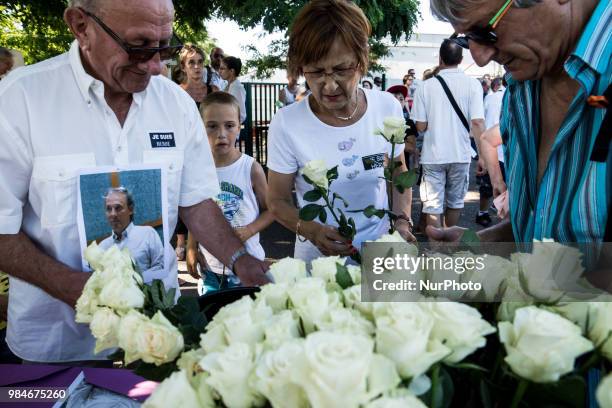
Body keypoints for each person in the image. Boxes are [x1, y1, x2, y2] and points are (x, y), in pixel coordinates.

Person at [0, 0, 269, 364]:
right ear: (81, 26)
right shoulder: (20, 99)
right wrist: (70, 287)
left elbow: (196, 202)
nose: (156, 65)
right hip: (56, 347)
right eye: (138, 47)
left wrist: (240, 261)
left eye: (164, 47)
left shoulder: (175, 104)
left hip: (160, 339)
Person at [429, 0, 610, 280]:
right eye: (467, 40)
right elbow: (540, 228)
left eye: (484, 32)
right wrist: (481, 247)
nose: (480, 58)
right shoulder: (522, 86)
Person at [267, 0, 416, 263]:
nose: (330, 85)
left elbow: (398, 170)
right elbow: (277, 201)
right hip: (318, 265)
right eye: (316, 72)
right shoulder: (287, 123)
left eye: (341, 69)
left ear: (361, 61)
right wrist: (312, 230)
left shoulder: (387, 108)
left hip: (381, 254)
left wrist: (402, 223)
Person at [187, 92, 274, 294]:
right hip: (210, 269)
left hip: (248, 267)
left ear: (239, 126)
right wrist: (192, 246)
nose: (221, 134)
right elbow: (195, 210)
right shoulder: (198, 169)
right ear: (201, 128)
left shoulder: (250, 168)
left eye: (229, 125)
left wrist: (251, 229)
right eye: (212, 126)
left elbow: (272, 210)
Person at [411, 39, 486, 231]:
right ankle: (448, 245)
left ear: (440, 58)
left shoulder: (424, 87)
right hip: (460, 154)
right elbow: (477, 123)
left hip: (433, 155)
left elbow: (420, 126)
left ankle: (435, 248)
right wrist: (483, 157)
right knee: (455, 202)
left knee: (432, 204)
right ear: (461, 59)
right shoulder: (473, 85)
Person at [99, 187, 164, 276]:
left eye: (118, 208)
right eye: (109, 209)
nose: (113, 214)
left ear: (131, 209)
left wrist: (135, 281)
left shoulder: (148, 234)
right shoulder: (103, 247)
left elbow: (160, 266)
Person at [219, 56, 247, 124]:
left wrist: (230, 126)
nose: (219, 71)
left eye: (222, 68)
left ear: (231, 71)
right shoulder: (226, 86)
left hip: (231, 130)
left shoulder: (238, 88)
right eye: (220, 68)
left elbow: (241, 115)